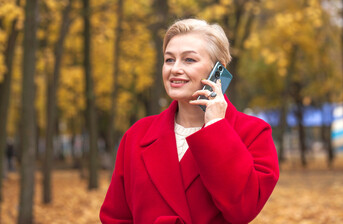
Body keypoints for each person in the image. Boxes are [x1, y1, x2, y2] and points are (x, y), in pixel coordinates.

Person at [100, 18, 279, 224]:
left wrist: (216, 128)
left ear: (217, 70)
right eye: (169, 60)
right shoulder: (136, 135)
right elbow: (115, 217)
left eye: (189, 60)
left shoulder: (253, 132)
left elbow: (242, 210)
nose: (174, 69)